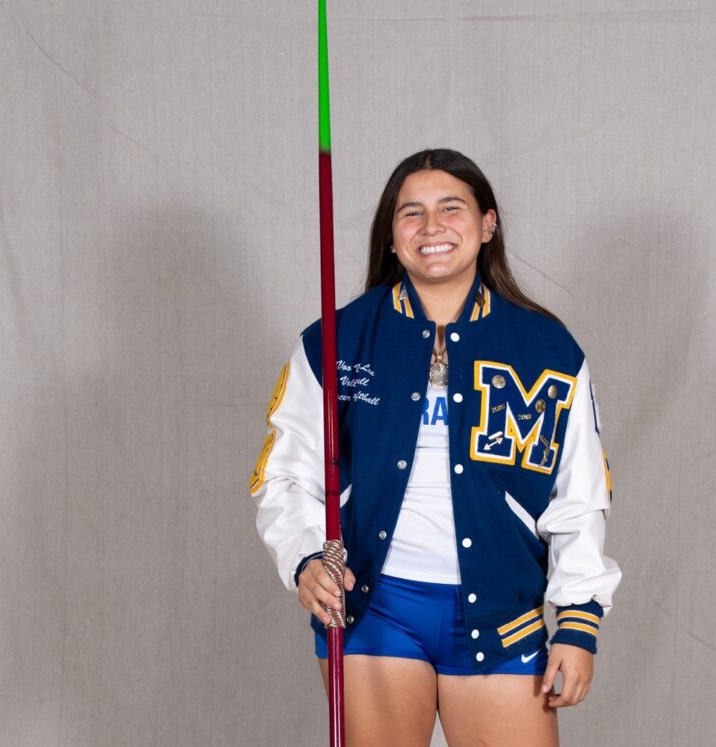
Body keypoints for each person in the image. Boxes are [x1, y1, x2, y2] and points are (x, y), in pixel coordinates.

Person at [251, 149, 621, 746]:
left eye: (451, 209)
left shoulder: (548, 349)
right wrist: (304, 558)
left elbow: (579, 494)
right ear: (392, 236)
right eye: (411, 214)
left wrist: (578, 622)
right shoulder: (333, 341)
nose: (431, 228)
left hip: (502, 615)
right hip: (374, 610)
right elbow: (286, 476)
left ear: (487, 224)